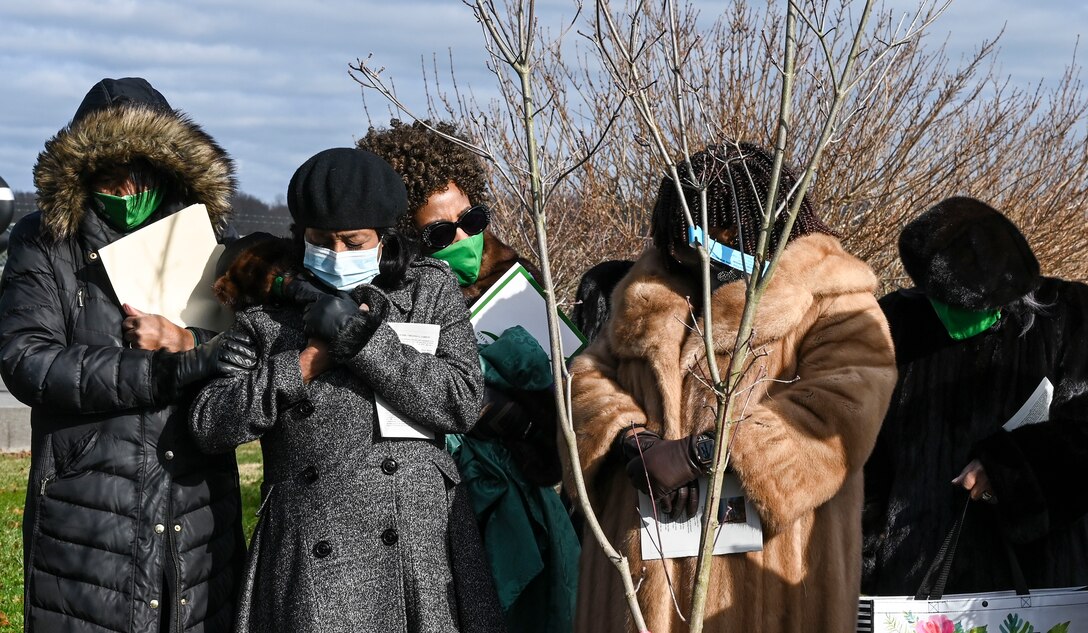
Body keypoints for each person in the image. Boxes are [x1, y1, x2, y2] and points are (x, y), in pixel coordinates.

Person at [565, 142, 897, 632]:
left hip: (764, 583)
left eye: (700, 236)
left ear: (748, 226)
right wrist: (633, 438)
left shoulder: (834, 302)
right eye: (675, 240)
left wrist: (700, 453)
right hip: (638, 580)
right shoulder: (649, 290)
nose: (683, 253)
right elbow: (587, 376)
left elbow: (838, 413)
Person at [189, 147, 507, 632]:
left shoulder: (428, 291)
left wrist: (362, 341)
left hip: (420, 547)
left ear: (383, 238)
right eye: (321, 241)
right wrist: (302, 365)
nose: (336, 256)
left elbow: (462, 401)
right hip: (310, 547)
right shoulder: (267, 314)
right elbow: (210, 424)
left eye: (353, 241)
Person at [0, 77, 248, 632]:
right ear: (84, 172)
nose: (129, 187)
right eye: (112, 173)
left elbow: (241, 360)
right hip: (87, 506)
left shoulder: (206, 242)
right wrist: (163, 370)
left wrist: (191, 346)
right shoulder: (44, 242)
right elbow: (27, 359)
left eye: (144, 170)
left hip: (197, 502)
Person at [359, 119, 580, 633]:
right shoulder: (380, 302)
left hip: (531, 507)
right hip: (431, 514)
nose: (463, 238)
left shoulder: (519, 284)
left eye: (472, 219)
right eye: (439, 232)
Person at [862, 197, 1088, 595]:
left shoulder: (1071, 317)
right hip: (912, 580)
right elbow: (864, 462)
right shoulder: (893, 324)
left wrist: (1011, 467)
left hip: (1040, 580)